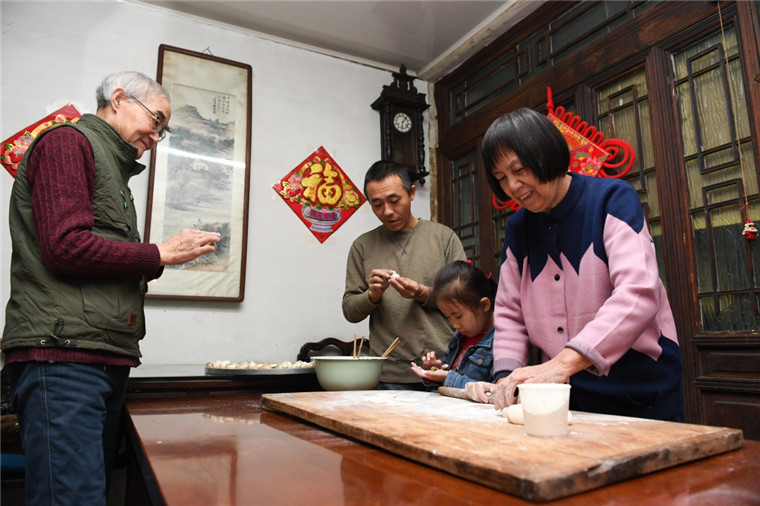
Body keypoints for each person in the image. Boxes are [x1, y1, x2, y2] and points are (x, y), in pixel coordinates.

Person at [2, 71, 221, 505]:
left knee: (91, 494)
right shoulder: (69, 142)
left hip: (98, 355)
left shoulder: (113, 170)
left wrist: (167, 257)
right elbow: (65, 248)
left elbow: (103, 260)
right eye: (156, 120)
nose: (157, 136)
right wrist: (157, 253)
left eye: (164, 129)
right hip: (63, 355)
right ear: (118, 98)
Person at [465, 107, 683, 421]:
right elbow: (510, 312)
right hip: (565, 397)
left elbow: (637, 291)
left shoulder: (611, 199)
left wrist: (561, 364)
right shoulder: (518, 228)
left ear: (547, 154)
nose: (512, 186)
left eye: (520, 169)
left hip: (640, 390)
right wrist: (507, 379)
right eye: (502, 178)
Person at [342, 160, 467, 389]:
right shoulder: (362, 246)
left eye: (394, 200)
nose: (387, 211)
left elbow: (464, 300)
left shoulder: (443, 238)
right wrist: (373, 296)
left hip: (443, 366)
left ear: (411, 193)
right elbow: (350, 311)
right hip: (389, 375)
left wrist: (423, 293)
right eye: (377, 204)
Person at [411, 260, 496, 389]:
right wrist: (434, 372)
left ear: (484, 305)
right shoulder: (461, 336)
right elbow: (449, 374)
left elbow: (497, 390)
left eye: (458, 316)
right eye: (448, 317)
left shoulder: (503, 342)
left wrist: (448, 378)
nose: (455, 324)